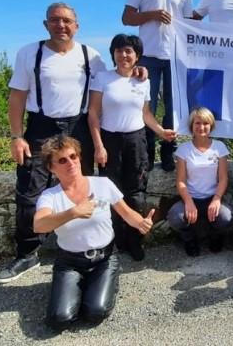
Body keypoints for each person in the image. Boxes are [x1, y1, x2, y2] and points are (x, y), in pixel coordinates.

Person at [0, 2, 112, 284]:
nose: (61, 25)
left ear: (76, 26)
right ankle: (27, 253)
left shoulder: (92, 56)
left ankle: (85, 247)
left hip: (78, 127)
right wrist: (16, 136)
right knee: (29, 190)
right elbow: (17, 97)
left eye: (67, 21)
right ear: (46, 24)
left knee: (82, 187)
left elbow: (110, 84)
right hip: (41, 125)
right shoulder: (29, 53)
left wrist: (139, 72)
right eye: (55, 20)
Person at [33, 135, 154, 329]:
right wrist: (73, 212)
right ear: (51, 168)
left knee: (95, 312)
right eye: (62, 160)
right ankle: (77, 286)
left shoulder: (102, 184)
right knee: (60, 319)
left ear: (79, 157)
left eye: (73, 156)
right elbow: (39, 225)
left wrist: (141, 223)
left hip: (104, 259)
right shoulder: (50, 196)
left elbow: (126, 212)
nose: (70, 163)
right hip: (70, 262)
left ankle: (104, 281)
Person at [88, 34, 176, 261]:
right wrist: (98, 145)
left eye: (129, 51)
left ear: (137, 56)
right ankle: (115, 241)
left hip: (136, 141)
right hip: (109, 140)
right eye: (119, 50)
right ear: (113, 54)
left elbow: (146, 114)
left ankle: (135, 240)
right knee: (111, 192)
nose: (124, 55)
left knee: (136, 193)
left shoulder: (143, 81)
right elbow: (93, 113)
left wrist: (161, 131)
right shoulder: (103, 78)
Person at [122, 0, 193, 172]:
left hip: (175, 58)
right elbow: (127, 17)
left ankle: (168, 151)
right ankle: (147, 153)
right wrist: (151, 15)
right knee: (146, 108)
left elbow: (189, 26)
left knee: (173, 109)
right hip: (148, 56)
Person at [166, 107, 233, 256]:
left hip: (212, 197)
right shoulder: (184, 149)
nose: (201, 127)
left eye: (205, 123)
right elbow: (181, 181)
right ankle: (189, 239)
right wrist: (188, 201)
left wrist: (217, 199)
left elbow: (223, 178)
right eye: (197, 123)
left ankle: (215, 236)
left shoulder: (219, 147)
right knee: (175, 217)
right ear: (192, 126)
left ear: (211, 126)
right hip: (191, 198)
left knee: (226, 217)